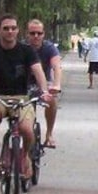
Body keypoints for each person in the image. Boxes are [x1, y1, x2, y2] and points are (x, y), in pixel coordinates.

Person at [0, 14, 52, 176]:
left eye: (13, 28)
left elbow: (38, 72)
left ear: (18, 31)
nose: (10, 31)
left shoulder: (27, 50)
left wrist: (44, 91)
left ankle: (25, 157)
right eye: (6, 28)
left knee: (27, 129)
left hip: (21, 98)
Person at [26, 19, 63, 148]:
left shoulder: (49, 48)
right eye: (32, 33)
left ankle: (49, 134)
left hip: (44, 84)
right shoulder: (21, 48)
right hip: (24, 85)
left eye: (39, 33)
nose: (36, 36)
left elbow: (57, 66)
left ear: (43, 34)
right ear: (27, 34)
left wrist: (56, 84)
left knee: (52, 101)